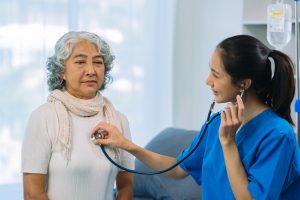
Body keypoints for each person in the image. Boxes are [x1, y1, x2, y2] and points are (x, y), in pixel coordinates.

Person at [91, 35, 300, 200]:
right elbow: (178, 169)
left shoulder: (278, 136)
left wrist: (228, 143)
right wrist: (126, 144)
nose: (207, 81)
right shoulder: (217, 122)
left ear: (243, 84)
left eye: (216, 75)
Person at [22, 31, 134, 200]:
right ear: (62, 72)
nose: (91, 70)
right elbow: (32, 194)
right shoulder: (43, 117)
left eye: (97, 62)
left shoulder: (119, 120)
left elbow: (126, 186)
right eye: (80, 62)